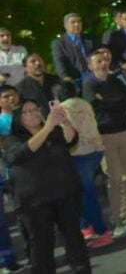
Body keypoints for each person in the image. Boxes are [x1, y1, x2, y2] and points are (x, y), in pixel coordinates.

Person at [4, 99, 91, 274]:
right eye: (27, 112)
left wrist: (64, 121)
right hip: (35, 201)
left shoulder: (54, 130)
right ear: (18, 118)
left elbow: (71, 141)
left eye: (35, 109)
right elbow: (21, 154)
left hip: (65, 193)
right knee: (41, 243)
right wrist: (47, 128)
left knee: (73, 237)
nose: (34, 114)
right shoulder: (13, 140)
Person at [82, 49, 126, 237]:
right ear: (90, 66)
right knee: (114, 177)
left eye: (104, 60)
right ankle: (117, 218)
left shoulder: (116, 81)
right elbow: (94, 106)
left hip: (124, 131)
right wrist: (110, 103)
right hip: (105, 135)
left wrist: (106, 102)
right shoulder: (89, 85)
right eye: (98, 62)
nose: (103, 64)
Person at [62, 96, 112, 247]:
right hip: (95, 148)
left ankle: (101, 231)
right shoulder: (85, 103)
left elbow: (67, 135)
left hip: (78, 152)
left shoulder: (62, 109)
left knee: (85, 194)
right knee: (82, 192)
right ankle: (87, 228)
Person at [0, 85, 22, 272]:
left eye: (11, 96)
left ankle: (8, 259)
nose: (10, 99)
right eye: (5, 96)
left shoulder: (25, 113)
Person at [51, 13, 94, 87]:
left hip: (93, 75)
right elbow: (59, 62)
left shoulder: (89, 39)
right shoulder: (59, 43)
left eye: (79, 22)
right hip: (75, 80)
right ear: (65, 26)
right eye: (73, 22)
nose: (77, 24)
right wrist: (65, 77)